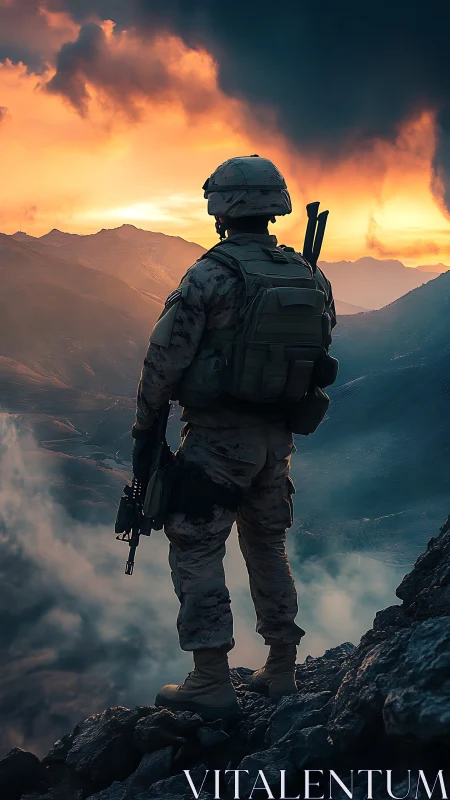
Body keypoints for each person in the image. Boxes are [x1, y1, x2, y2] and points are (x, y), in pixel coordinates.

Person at [132, 155, 337, 720]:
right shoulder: (308, 274)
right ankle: (281, 665)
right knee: (267, 544)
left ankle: (209, 679)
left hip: (219, 441)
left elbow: (163, 361)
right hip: (278, 441)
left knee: (197, 547)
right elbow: (318, 350)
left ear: (221, 208)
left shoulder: (208, 275)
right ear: (275, 206)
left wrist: (145, 428)